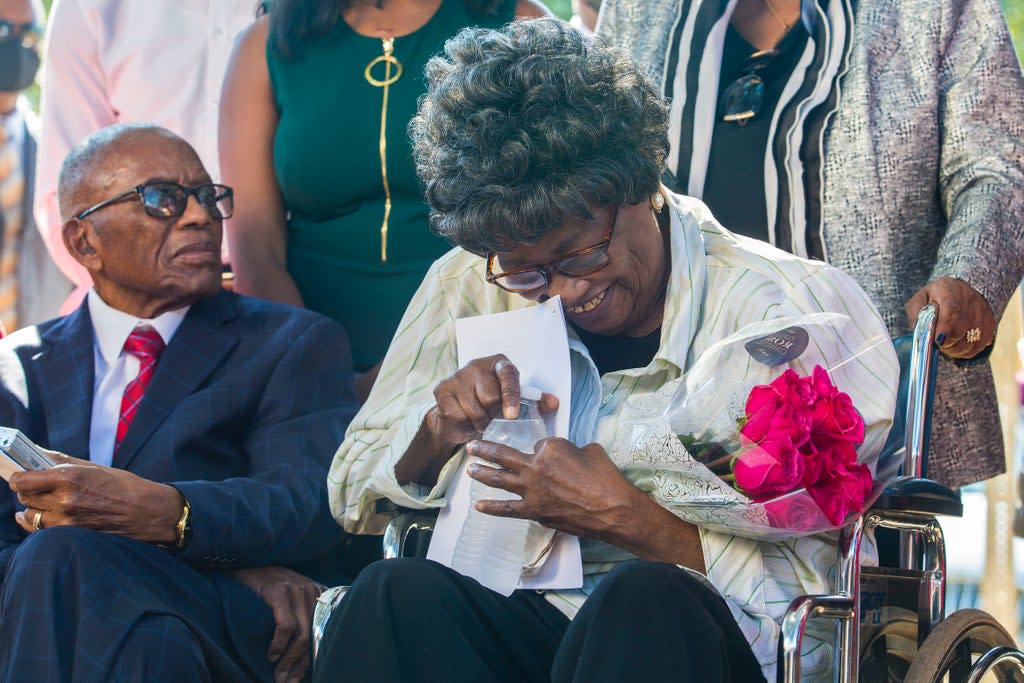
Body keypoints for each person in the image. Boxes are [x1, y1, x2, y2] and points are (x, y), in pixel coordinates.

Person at [318, 19, 898, 682]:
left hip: (700, 635)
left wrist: (630, 517)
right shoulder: (467, 282)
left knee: (642, 600)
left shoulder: (784, 310)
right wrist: (437, 431)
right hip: (529, 617)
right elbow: (349, 490)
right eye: (528, 271)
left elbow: (817, 606)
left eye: (580, 254)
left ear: (643, 181)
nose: (562, 292)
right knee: (389, 597)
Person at [596, 0, 1024, 489]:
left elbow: (997, 170)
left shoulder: (931, 11)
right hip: (668, 409)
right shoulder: (638, 11)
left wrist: (970, 274)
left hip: (861, 421)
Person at [0, 124, 360, 683]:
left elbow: (310, 500)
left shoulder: (292, 342)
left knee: (60, 555)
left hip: (219, 616)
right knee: (142, 641)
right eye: (161, 199)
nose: (198, 217)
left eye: (207, 196)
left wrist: (172, 518)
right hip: (94, 616)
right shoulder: (16, 370)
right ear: (83, 242)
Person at [220, 0, 549, 400]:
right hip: (303, 366)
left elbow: (549, 223)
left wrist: (410, 368)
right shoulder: (266, 44)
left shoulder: (519, 24)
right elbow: (255, 248)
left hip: (477, 350)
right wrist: (320, 375)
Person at [34, 0, 256, 314]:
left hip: (294, 291)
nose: (198, 217)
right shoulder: (90, 7)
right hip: (138, 306)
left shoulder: (316, 10)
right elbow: (67, 197)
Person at [0, 0, 70, 331]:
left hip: (31, 366)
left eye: (28, 34)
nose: (15, 43)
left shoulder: (60, 154)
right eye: (2, 30)